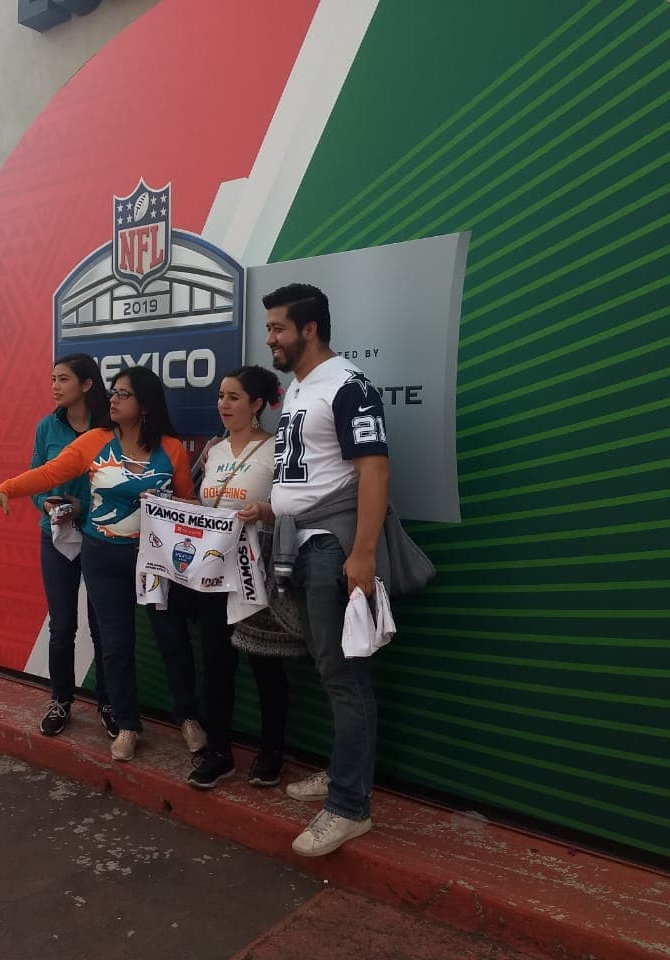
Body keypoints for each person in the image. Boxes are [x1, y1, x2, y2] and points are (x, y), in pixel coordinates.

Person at [0, 366, 194, 762]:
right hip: (103, 556)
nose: (112, 399)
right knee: (115, 645)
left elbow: (186, 507)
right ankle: (128, 724)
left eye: (123, 394)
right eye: (112, 392)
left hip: (157, 561)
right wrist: (6, 489)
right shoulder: (96, 441)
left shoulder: (172, 449)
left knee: (173, 640)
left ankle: (188, 718)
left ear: (145, 405)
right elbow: (49, 473)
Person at [262, 283, 390, 858]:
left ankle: (348, 806)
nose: (271, 339)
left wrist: (361, 554)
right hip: (301, 546)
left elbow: (374, 470)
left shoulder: (348, 384)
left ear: (309, 329)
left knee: (345, 676)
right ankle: (345, 773)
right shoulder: (298, 388)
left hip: (331, 549)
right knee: (329, 670)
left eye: (278, 329)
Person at [170, 365, 295, 791]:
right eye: (221, 396)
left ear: (257, 404)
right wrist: (168, 505)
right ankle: (219, 752)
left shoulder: (278, 449)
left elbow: (297, 506)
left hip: (257, 573)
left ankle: (272, 752)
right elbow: (200, 504)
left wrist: (264, 512)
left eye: (234, 397)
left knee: (265, 666)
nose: (223, 404)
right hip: (214, 573)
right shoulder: (213, 450)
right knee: (216, 664)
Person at [21, 356, 116, 738]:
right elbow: (35, 478)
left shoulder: (111, 429)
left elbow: (122, 486)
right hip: (55, 535)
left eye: (64, 379)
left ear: (88, 384)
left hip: (101, 537)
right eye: (52, 379)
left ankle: (109, 702)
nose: (55, 386)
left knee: (103, 627)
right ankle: (60, 700)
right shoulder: (48, 426)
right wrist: (43, 500)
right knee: (62, 626)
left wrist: (85, 508)